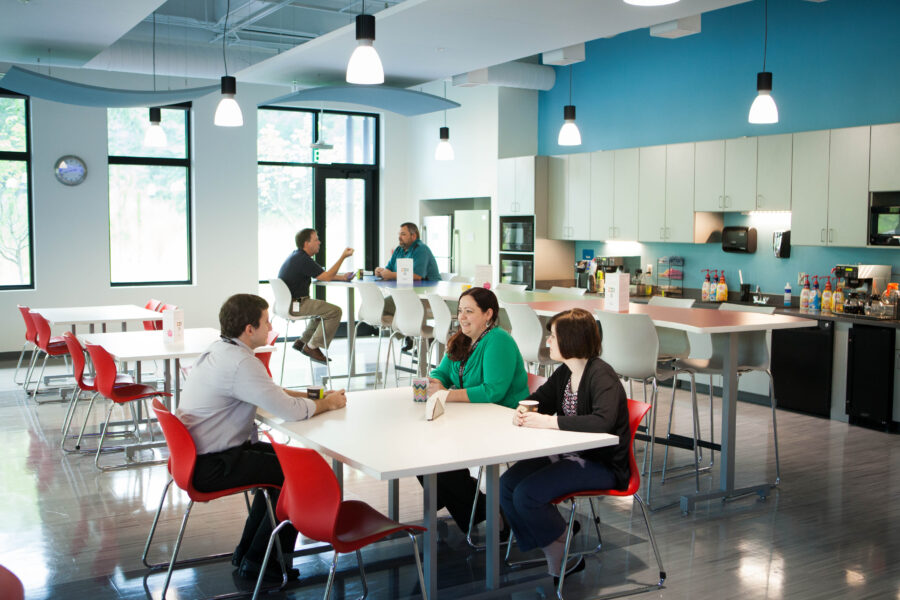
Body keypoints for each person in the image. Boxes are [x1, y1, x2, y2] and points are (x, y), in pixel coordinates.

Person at [176, 294, 347, 583]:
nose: (271, 327)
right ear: (249, 329)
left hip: (199, 457)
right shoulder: (241, 364)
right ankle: (262, 563)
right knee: (298, 475)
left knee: (284, 468)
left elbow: (268, 391)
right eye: (266, 322)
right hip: (214, 464)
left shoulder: (222, 351)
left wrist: (312, 395)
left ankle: (250, 554)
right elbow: (289, 411)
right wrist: (328, 404)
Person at [500, 308, 630, 583]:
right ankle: (555, 536)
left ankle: (559, 548)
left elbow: (602, 422)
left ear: (571, 340)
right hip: (568, 455)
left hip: (601, 464)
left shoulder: (601, 375)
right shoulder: (565, 373)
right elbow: (539, 399)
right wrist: (522, 410)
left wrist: (549, 422)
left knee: (526, 495)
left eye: (553, 336)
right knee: (506, 486)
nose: (548, 341)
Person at [421, 287, 529, 534]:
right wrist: (436, 382)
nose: (462, 317)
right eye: (460, 311)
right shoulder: (462, 339)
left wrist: (445, 394)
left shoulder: (498, 340)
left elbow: (493, 392)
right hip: (474, 419)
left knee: (436, 460)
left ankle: (483, 511)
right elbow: (442, 372)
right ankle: (482, 510)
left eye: (469, 311)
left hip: (503, 421)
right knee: (427, 454)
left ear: (488, 314)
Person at [277, 228, 354, 363]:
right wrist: (343, 257)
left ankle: (303, 341)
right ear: (306, 244)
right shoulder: (303, 260)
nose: (320, 242)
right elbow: (327, 277)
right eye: (316, 240)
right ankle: (312, 346)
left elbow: (323, 276)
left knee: (322, 312)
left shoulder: (297, 256)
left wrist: (342, 278)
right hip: (296, 305)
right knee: (334, 311)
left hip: (287, 304)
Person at [375, 222, 441, 282]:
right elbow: (389, 269)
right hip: (406, 288)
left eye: (403, 234)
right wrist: (381, 273)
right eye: (399, 234)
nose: (399, 237)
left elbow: (417, 276)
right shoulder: (399, 249)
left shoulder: (421, 249)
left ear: (413, 236)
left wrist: (390, 275)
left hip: (428, 290)